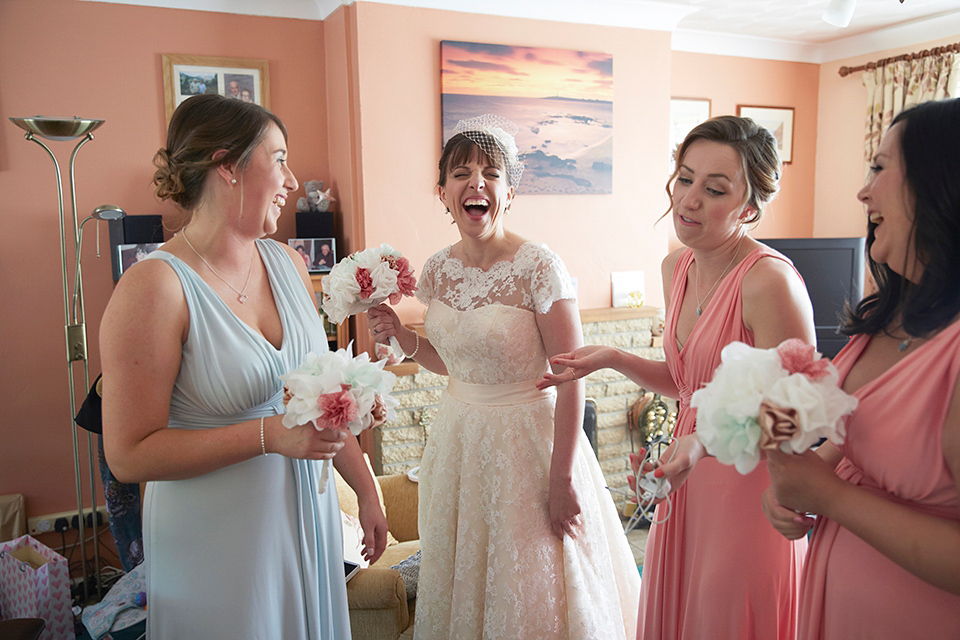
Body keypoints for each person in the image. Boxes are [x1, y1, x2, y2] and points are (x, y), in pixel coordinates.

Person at [99, 94, 387, 639]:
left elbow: (321, 398)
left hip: (306, 522)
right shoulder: (155, 288)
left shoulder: (290, 265)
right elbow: (127, 454)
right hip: (216, 543)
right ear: (227, 165)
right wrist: (267, 436)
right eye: (278, 159)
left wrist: (367, 492)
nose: (293, 179)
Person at [540, 115, 816, 640]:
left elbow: (795, 415)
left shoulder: (770, 283)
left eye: (714, 189)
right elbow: (689, 381)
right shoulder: (676, 268)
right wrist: (614, 357)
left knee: (729, 617)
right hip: (685, 477)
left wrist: (702, 445)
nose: (689, 199)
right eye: (685, 178)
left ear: (750, 207)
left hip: (748, 485)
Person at [367, 114, 640, 639]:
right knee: (463, 569)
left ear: (509, 192)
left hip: (528, 448)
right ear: (442, 191)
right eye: (462, 173)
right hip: (458, 442)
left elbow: (571, 377)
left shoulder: (540, 266)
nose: (477, 183)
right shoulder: (437, 271)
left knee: (529, 577)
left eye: (491, 173)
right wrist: (404, 340)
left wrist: (561, 478)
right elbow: (456, 363)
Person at [763, 98, 960, 639]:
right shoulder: (889, 311)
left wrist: (828, 496)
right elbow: (848, 441)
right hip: (837, 604)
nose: (862, 191)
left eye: (878, 167)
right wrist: (791, 487)